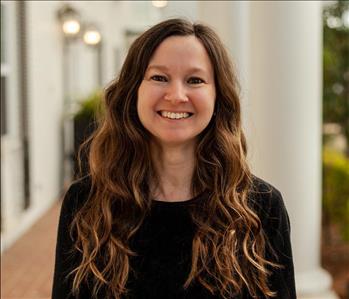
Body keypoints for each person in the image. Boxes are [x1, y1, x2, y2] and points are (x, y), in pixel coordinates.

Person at [52, 18, 296, 299]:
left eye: (195, 80)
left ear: (218, 96)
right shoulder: (86, 202)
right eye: (159, 77)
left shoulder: (262, 207)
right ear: (133, 92)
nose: (176, 95)